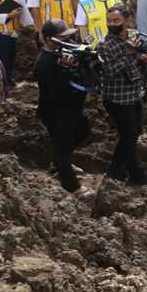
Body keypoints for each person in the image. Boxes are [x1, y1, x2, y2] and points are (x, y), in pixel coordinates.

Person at [97, 5, 147, 185]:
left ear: (128, 20)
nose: (112, 24)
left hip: (135, 93)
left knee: (133, 132)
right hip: (118, 98)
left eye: (116, 21)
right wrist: (128, 54)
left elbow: (141, 60)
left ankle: (116, 169)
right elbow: (108, 71)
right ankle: (136, 174)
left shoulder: (133, 36)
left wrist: (145, 59)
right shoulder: (105, 46)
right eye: (109, 21)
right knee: (129, 136)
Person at [33, 19, 93, 198]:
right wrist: (67, 70)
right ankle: (72, 186)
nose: (69, 39)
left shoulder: (66, 51)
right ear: (50, 40)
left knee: (83, 132)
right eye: (63, 37)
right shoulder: (43, 63)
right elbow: (55, 91)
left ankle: (61, 163)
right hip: (56, 112)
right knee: (62, 146)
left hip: (73, 108)